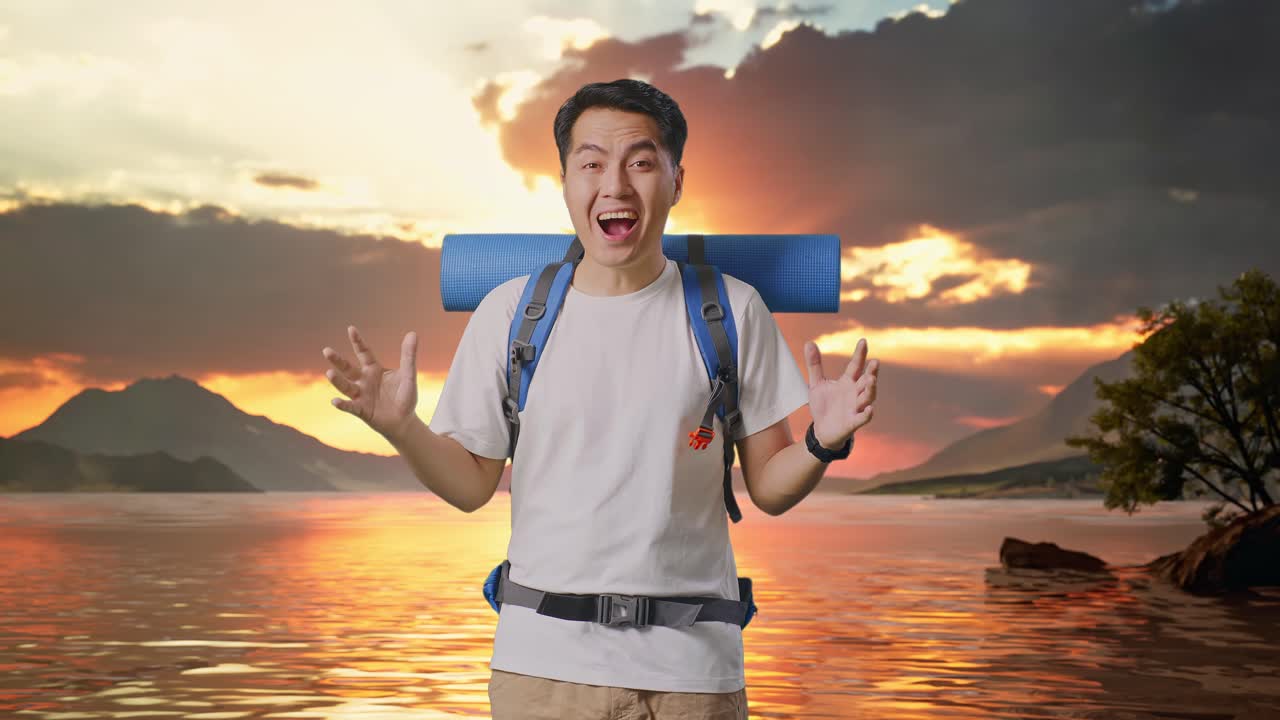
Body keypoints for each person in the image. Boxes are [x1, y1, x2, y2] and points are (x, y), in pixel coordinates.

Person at [322, 78, 879, 720]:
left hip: (692, 675)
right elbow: (473, 484)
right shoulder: (511, 315)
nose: (615, 185)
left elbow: (771, 488)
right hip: (543, 672)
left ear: (676, 180)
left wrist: (822, 441)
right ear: (564, 183)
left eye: (641, 162)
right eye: (591, 164)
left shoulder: (732, 310)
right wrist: (402, 428)